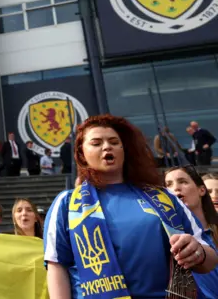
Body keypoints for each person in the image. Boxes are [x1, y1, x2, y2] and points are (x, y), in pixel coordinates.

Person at [44, 114, 218, 299]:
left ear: (124, 149)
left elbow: (210, 257)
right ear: (82, 153)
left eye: (114, 141)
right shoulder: (67, 203)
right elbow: (57, 267)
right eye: (96, 143)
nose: (107, 147)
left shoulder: (165, 198)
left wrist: (198, 253)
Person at [165, 166, 218, 298]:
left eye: (183, 181)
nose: (175, 188)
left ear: (201, 190)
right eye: (168, 185)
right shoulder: (167, 240)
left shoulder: (214, 233)